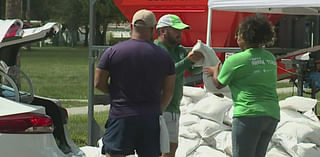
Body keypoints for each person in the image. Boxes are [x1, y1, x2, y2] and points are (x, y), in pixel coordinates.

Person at [94, 9, 176, 157]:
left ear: (132, 27)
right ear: (153, 30)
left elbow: (98, 82)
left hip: (121, 115)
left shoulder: (112, 52)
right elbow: (169, 90)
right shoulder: (164, 56)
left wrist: (116, 93)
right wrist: (158, 109)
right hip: (150, 117)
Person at [203, 14, 280, 157]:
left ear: (246, 35)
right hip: (272, 114)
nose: (236, 37)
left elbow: (218, 84)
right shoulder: (270, 58)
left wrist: (214, 71)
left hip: (248, 114)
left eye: (239, 34)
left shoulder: (236, 60)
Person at [154, 14, 203, 157]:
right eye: (176, 30)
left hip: (175, 105)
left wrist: (201, 62)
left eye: (181, 30)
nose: (180, 34)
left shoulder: (180, 50)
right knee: (158, 148)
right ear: (163, 31)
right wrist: (188, 61)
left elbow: (191, 70)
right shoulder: (156, 49)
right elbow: (167, 72)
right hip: (160, 106)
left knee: (172, 147)